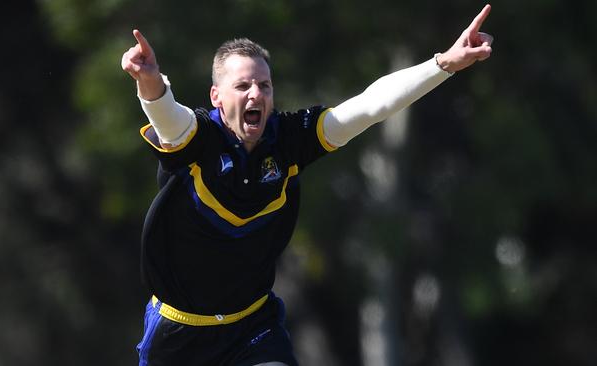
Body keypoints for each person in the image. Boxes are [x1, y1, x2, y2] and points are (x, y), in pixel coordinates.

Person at [121, 4, 494, 366]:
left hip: (251, 328)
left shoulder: (289, 139)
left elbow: (370, 106)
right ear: (216, 96)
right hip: (178, 334)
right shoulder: (198, 138)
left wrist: (442, 64)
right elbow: (170, 120)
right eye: (243, 85)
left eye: (264, 85)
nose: (256, 94)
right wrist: (150, 81)